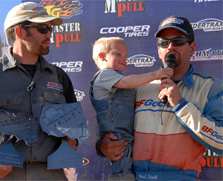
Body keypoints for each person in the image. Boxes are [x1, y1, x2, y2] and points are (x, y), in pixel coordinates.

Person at [96, 16, 223, 180]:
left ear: (192, 48)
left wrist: (181, 105)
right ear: (158, 50)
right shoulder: (138, 87)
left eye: (178, 41)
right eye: (164, 43)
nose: (170, 47)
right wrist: (102, 146)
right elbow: (115, 125)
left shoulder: (210, 88)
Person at [0, 2, 78, 180]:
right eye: (43, 28)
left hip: (51, 175)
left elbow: (74, 129)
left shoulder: (59, 77)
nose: (49, 35)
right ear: (20, 32)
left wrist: (71, 140)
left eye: (51, 29)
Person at [90, 37, 173, 180]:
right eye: (118, 54)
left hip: (129, 136)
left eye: (126, 56)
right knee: (122, 173)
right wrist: (156, 75)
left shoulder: (117, 79)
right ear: (102, 56)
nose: (124, 59)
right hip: (117, 137)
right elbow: (127, 82)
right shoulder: (105, 75)